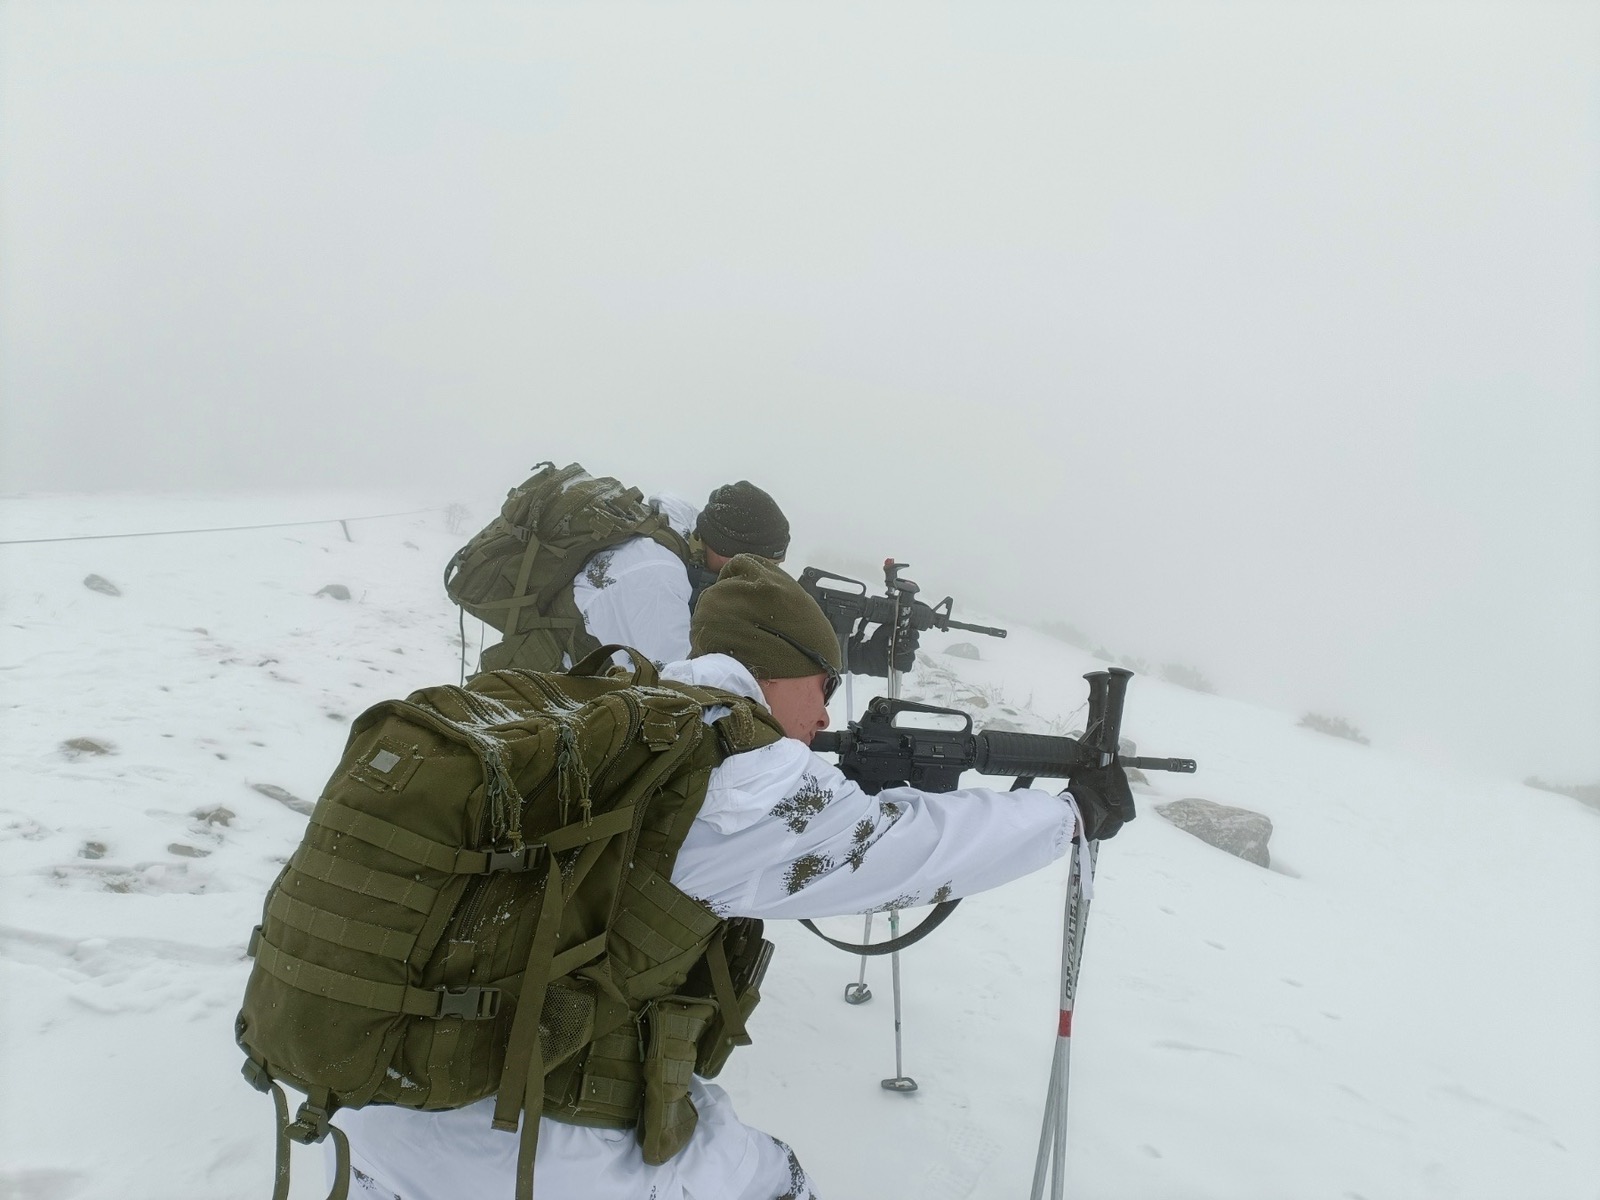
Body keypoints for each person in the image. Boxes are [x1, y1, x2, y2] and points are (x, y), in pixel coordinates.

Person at [333, 555, 1133, 1199]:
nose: (825, 715)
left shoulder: (623, 715)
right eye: (823, 685)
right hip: (528, 1140)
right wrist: (1069, 817)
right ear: (778, 669)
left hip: (387, 1093)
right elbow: (908, 851)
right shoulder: (732, 779)